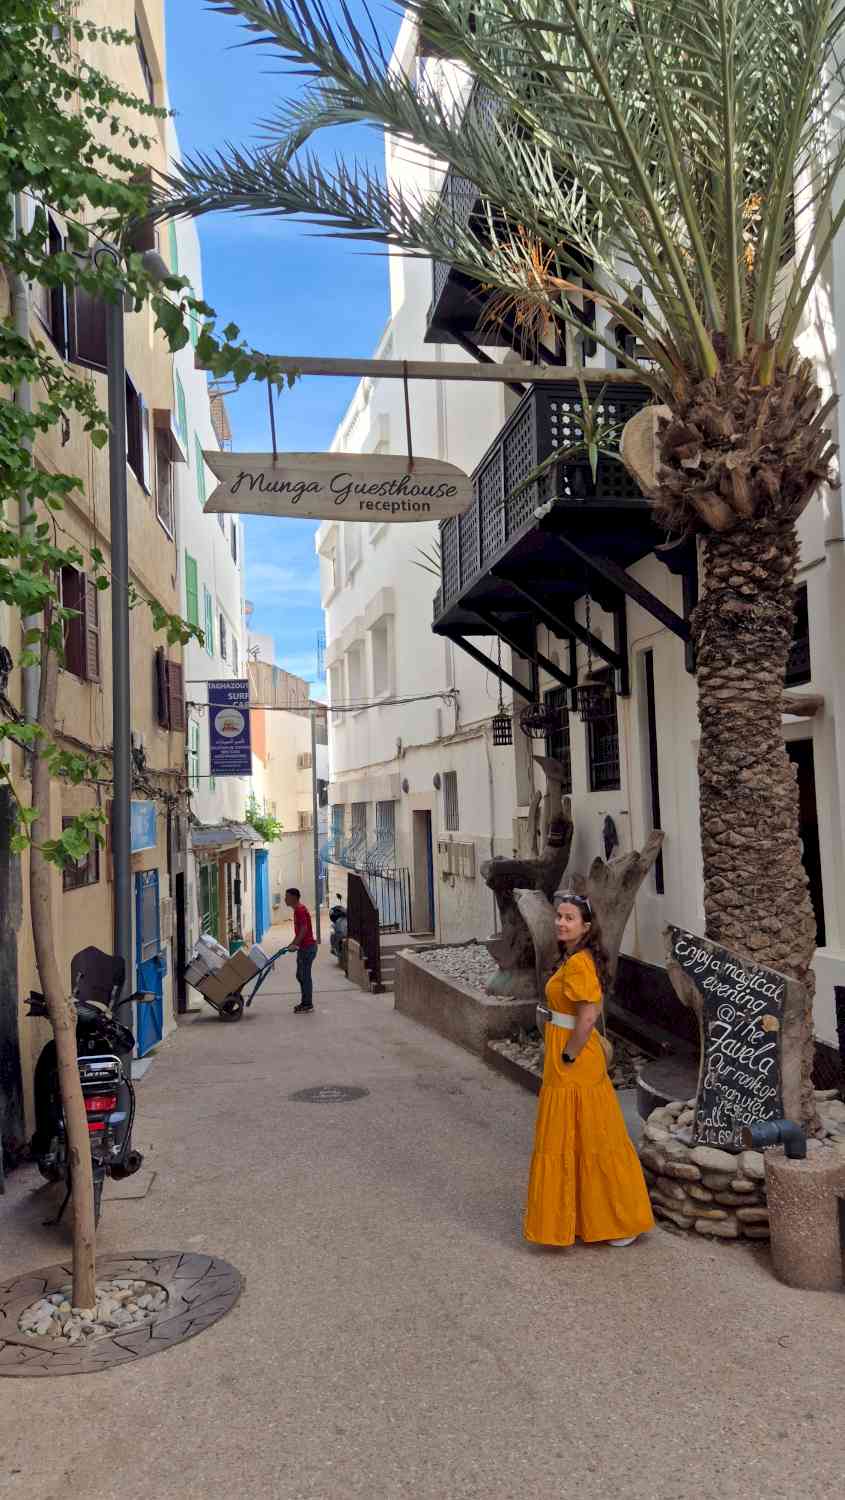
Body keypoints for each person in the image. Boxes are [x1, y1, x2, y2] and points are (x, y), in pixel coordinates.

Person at [524, 890, 654, 1249]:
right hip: (565, 1054)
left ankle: (620, 1220)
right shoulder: (572, 958)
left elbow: (587, 1017)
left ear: (586, 926)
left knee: (596, 1138)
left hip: (575, 1059)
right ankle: (586, 1217)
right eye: (559, 916)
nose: (561, 923)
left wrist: (568, 1055)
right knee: (578, 1138)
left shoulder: (580, 963)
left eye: (569, 918)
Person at [283, 887, 319, 1013]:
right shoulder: (298, 910)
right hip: (304, 948)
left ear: (293, 898)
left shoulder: (300, 910)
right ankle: (305, 1002)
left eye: (287, 897)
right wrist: (292, 944)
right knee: (301, 975)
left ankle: (307, 1004)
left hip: (307, 948)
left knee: (304, 976)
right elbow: (300, 931)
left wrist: (295, 944)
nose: (285, 899)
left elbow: (304, 929)